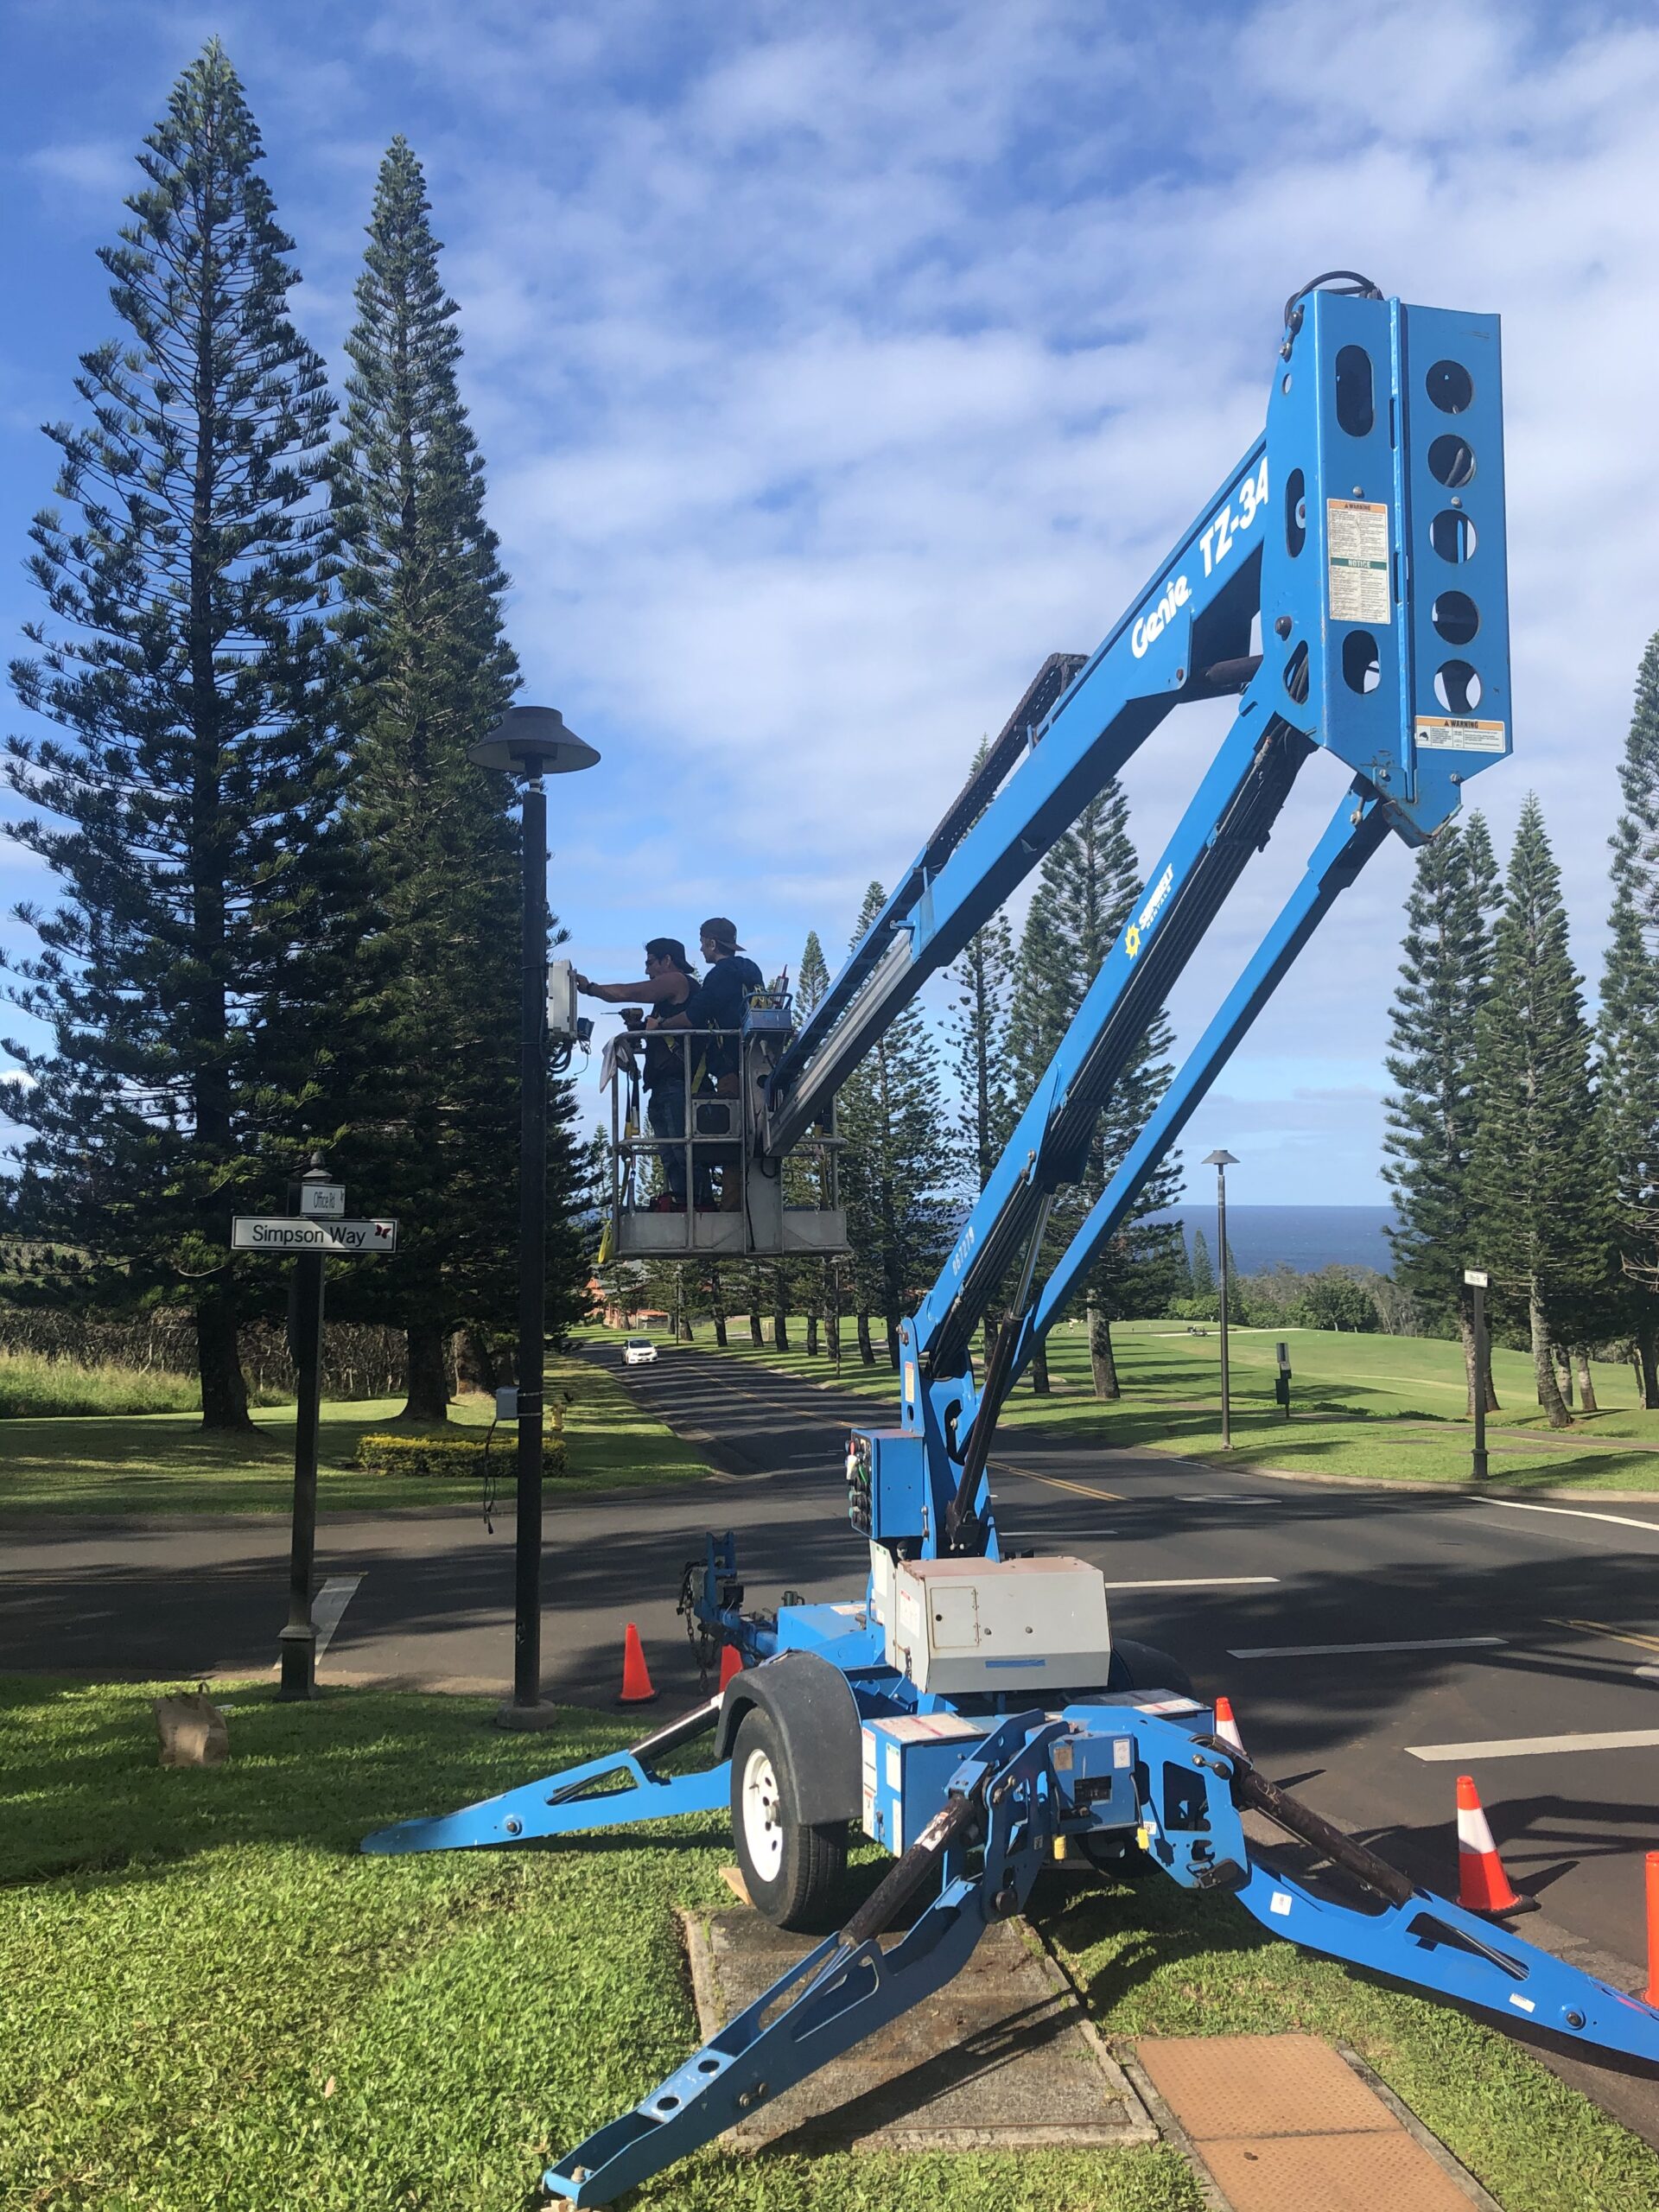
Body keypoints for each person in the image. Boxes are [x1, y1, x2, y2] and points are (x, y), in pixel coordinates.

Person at [577, 940, 701, 1208]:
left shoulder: (678, 981)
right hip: (662, 1086)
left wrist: (591, 989)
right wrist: (640, 1029)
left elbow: (628, 992)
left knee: (683, 1150)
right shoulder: (670, 998)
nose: (647, 971)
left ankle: (698, 1203)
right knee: (670, 1153)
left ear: (667, 960)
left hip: (678, 1083)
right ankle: (684, 1202)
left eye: (650, 963)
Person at [663, 918, 764, 1208]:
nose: (700, 949)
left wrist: (661, 1025)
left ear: (711, 942)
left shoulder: (720, 975)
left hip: (731, 1066)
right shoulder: (750, 970)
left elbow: (695, 1015)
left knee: (732, 1139)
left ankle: (732, 1208)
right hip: (756, 1060)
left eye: (702, 942)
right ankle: (753, 1202)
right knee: (754, 1134)